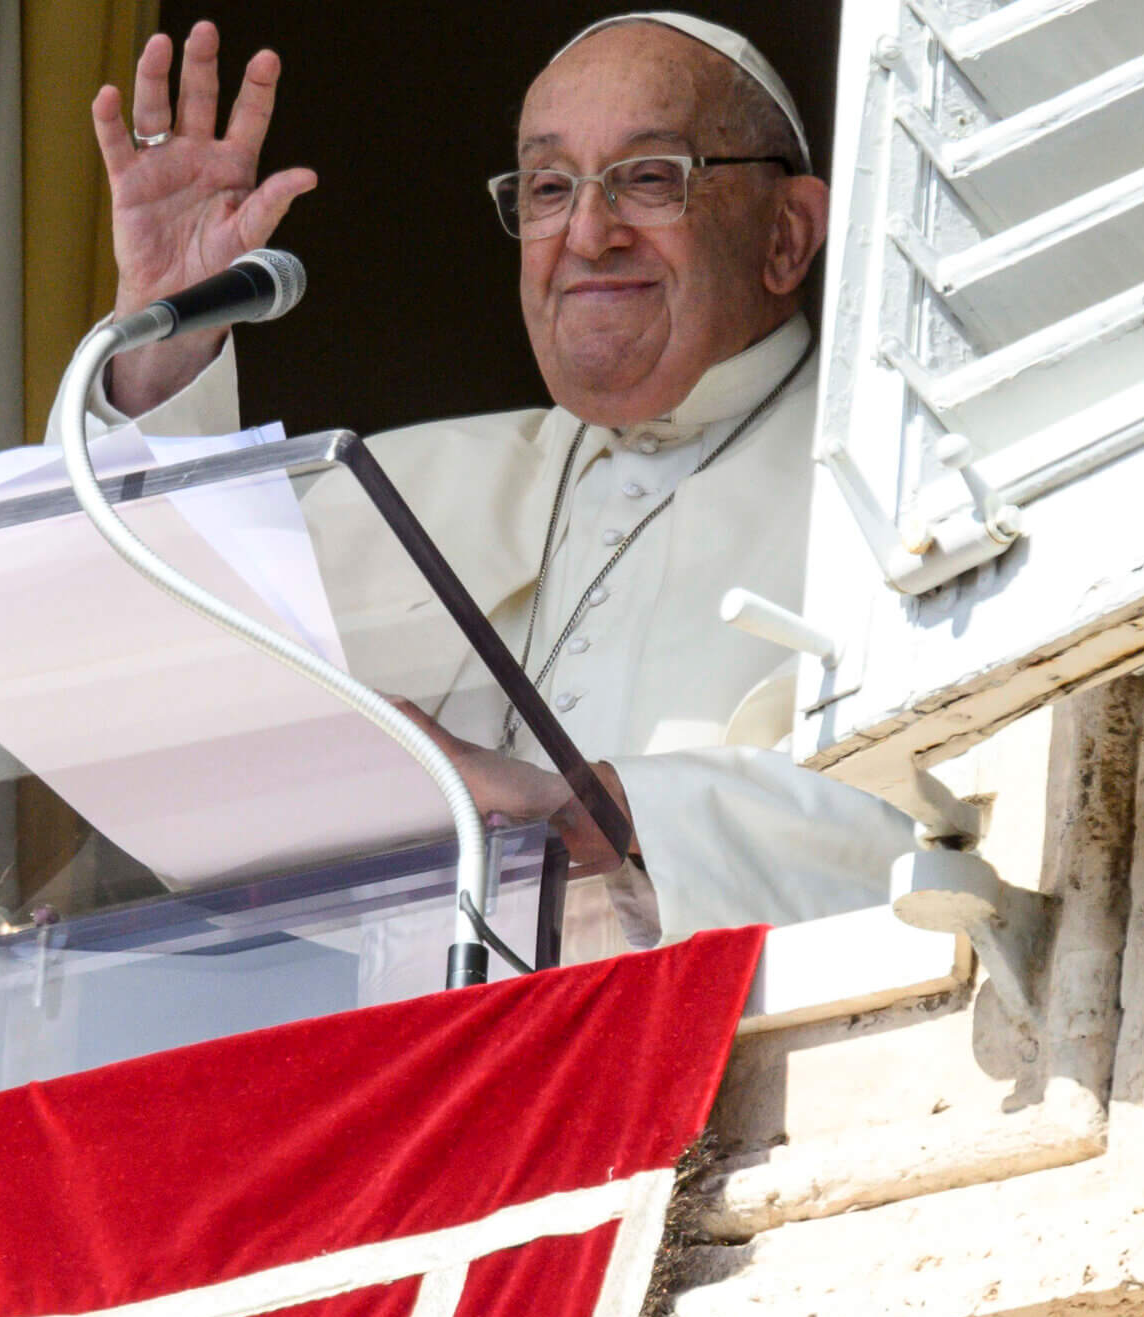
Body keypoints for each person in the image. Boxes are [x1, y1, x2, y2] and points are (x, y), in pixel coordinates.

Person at [45, 12, 914, 953]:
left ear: (787, 235)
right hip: (435, 1073)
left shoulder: (899, 492)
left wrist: (599, 818)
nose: (588, 232)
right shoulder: (408, 481)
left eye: (650, 178)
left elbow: (941, 834)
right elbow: (156, 674)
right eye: (548, 187)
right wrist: (167, 350)